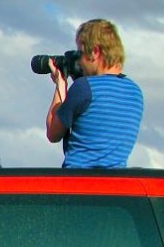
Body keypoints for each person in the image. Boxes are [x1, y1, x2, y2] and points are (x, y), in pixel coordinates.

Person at [45, 18, 143, 168]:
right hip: (115, 187)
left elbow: (53, 133)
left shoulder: (84, 88)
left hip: (78, 184)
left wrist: (60, 83)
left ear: (95, 52)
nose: (80, 62)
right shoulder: (135, 93)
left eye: (81, 54)